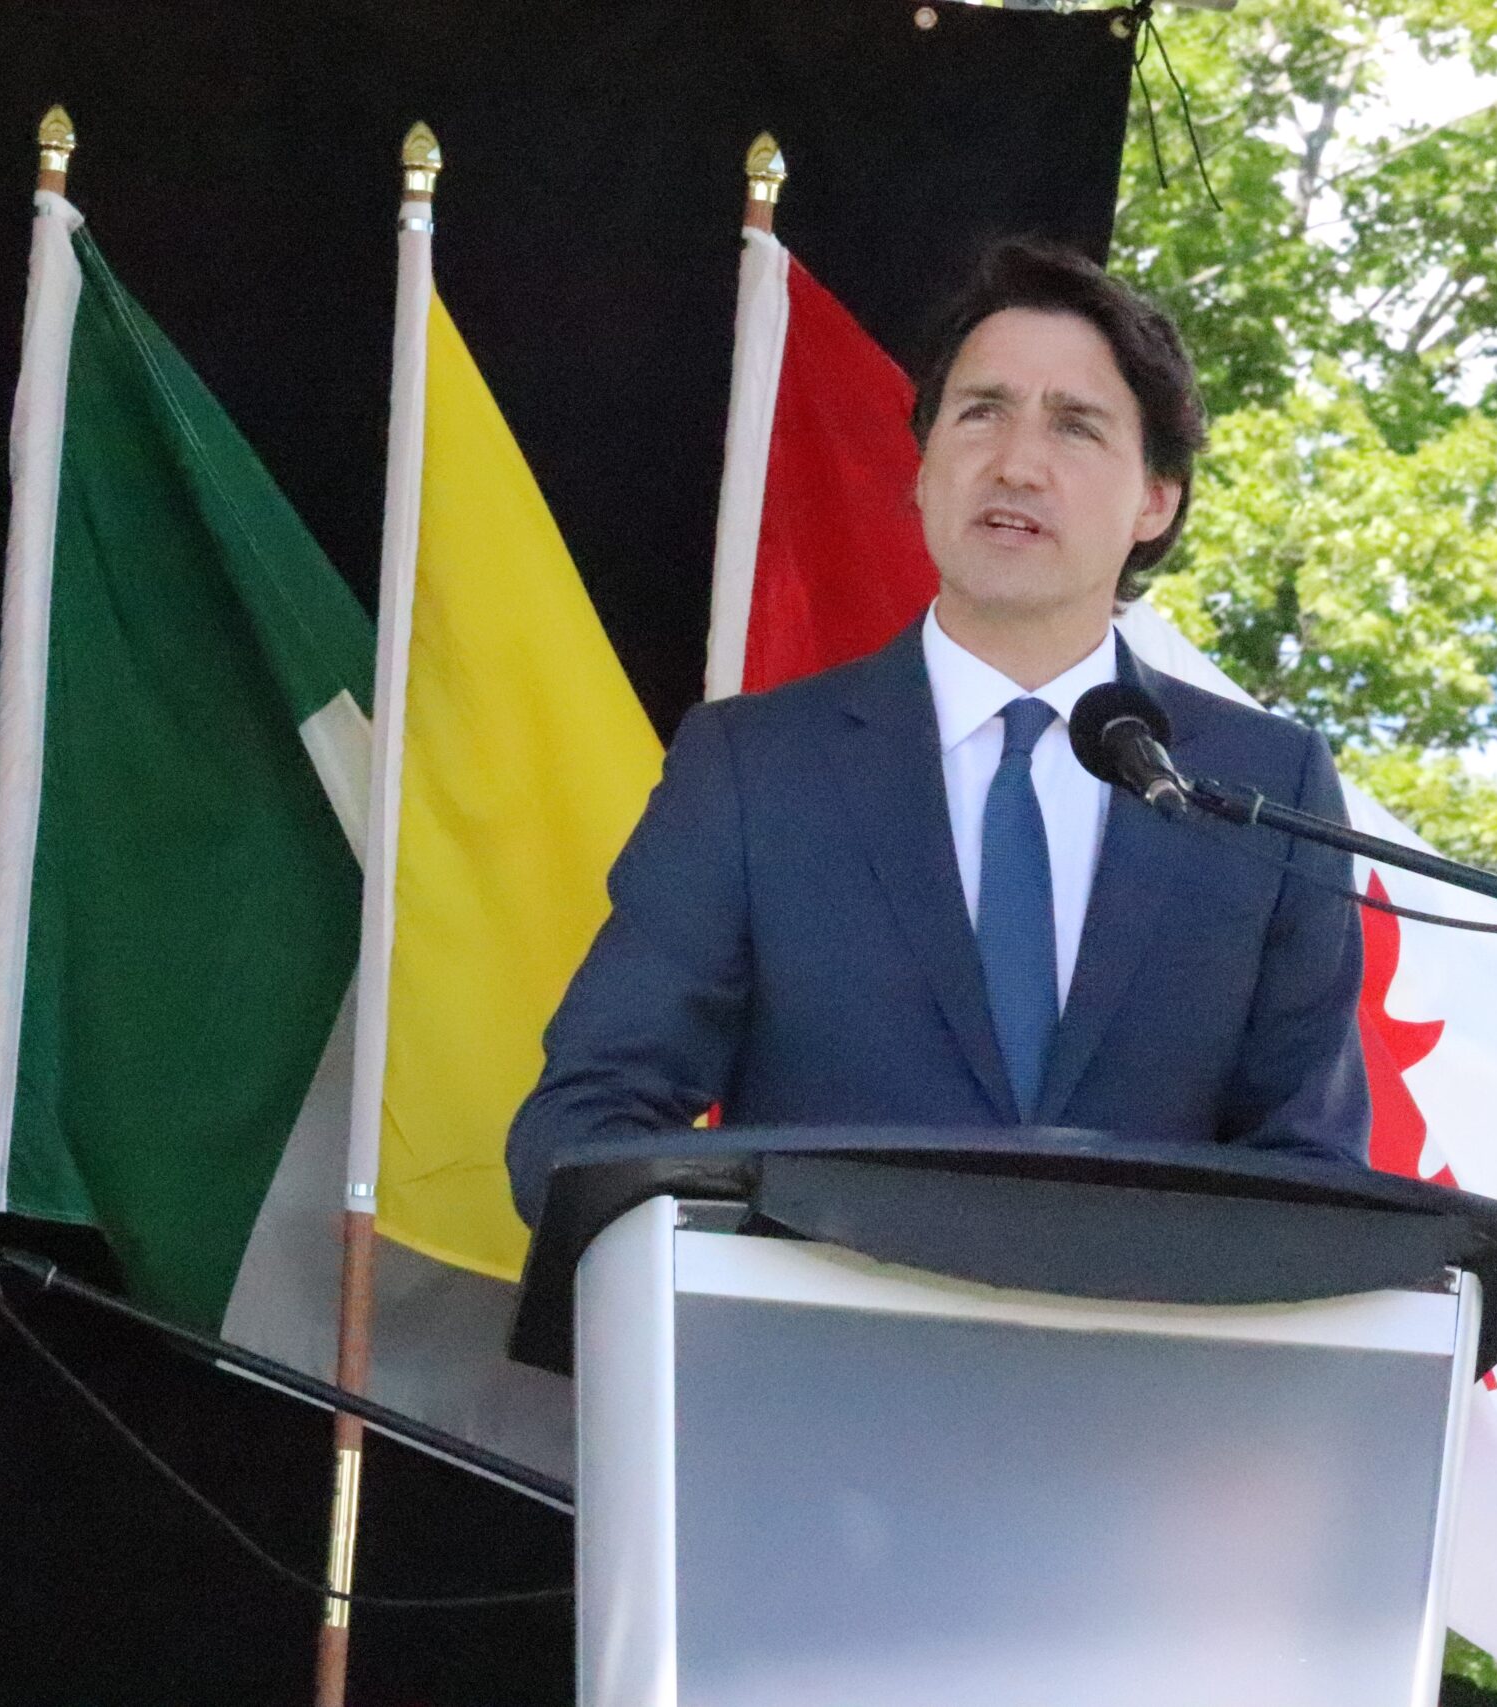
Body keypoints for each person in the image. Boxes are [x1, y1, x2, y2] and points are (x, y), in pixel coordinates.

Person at [506, 239, 1367, 1225]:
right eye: (981, 413)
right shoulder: (754, 769)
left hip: (1138, 1370)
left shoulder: (1260, 786)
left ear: (1155, 500)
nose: (1016, 464)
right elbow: (585, 1124)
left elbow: (1312, 1174)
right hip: (810, 1360)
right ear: (921, 468)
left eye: (1075, 427)